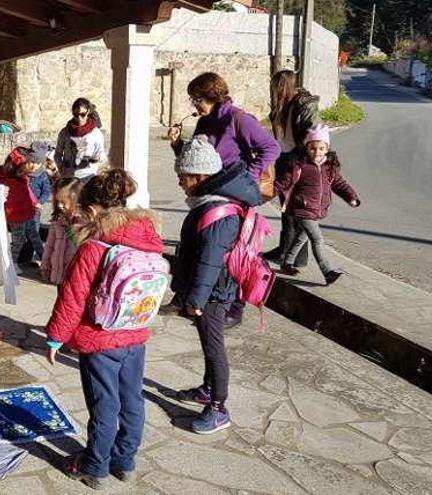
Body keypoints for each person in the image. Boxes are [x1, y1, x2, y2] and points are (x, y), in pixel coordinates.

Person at [44, 169, 163, 490]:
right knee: (132, 399)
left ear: (94, 210)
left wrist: (55, 338)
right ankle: (124, 461)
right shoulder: (147, 238)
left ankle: (95, 467)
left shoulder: (94, 248)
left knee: (104, 405)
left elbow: (72, 299)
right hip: (135, 333)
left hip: (100, 339)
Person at [168, 72, 280, 328]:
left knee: (233, 253)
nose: (194, 105)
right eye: (192, 99)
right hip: (208, 189)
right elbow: (198, 157)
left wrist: (247, 176)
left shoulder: (237, 119)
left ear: (212, 96)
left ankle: (233, 308)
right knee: (199, 245)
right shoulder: (205, 121)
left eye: (197, 99)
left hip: (233, 192)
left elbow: (270, 147)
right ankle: (189, 296)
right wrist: (179, 145)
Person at [169, 136, 262, 434]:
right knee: (208, 343)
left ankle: (218, 407)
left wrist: (196, 299)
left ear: (200, 177)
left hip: (214, 294)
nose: (180, 184)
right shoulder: (210, 204)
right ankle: (208, 389)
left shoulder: (217, 213)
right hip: (211, 290)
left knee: (214, 348)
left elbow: (210, 260)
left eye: (183, 178)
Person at [275, 125, 360, 285]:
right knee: (318, 239)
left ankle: (287, 263)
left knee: (302, 237)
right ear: (307, 147)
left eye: (321, 148)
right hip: (302, 208)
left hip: (317, 209)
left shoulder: (329, 167)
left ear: (327, 148)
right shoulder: (300, 166)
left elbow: (339, 184)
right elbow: (282, 183)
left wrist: (351, 197)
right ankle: (327, 271)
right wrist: (263, 194)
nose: (317, 152)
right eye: (313, 148)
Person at [263, 69, 321, 265]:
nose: (274, 91)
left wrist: (307, 161)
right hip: (284, 156)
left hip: (298, 160)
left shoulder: (305, 105)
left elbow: (315, 134)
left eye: (277, 87)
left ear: (285, 86)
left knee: (296, 209)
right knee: (286, 208)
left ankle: (296, 256)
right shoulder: (283, 104)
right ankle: (285, 248)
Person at [0, 146, 45, 273]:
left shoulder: (22, 177)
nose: (32, 166)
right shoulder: (5, 179)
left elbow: (28, 192)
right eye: (29, 163)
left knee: (35, 237)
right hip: (15, 214)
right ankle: (11, 262)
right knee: (19, 240)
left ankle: (45, 260)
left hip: (27, 211)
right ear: (20, 164)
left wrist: (35, 202)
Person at [39, 178, 84, 285]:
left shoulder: (83, 221)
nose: (59, 205)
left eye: (63, 202)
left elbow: (83, 247)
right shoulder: (57, 220)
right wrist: (45, 264)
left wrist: (71, 227)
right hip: (58, 272)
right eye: (57, 201)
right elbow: (49, 245)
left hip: (74, 275)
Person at [55, 97, 107, 180]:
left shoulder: (96, 133)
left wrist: (95, 159)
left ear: (88, 112)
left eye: (82, 114)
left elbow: (101, 155)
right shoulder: (65, 132)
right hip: (68, 177)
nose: (79, 118)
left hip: (87, 177)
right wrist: (61, 168)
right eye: (76, 115)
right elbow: (57, 153)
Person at [27, 141, 53, 265]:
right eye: (31, 162)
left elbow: (46, 191)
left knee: (34, 233)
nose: (33, 165)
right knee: (23, 234)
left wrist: (40, 202)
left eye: (36, 163)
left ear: (41, 163)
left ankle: (40, 256)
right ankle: (25, 255)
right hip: (21, 208)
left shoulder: (42, 176)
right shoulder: (24, 173)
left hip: (35, 210)